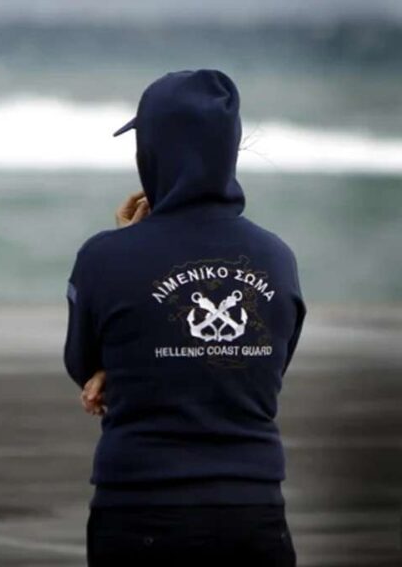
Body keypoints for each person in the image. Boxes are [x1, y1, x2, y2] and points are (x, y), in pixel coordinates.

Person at [63, 69, 306, 566]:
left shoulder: (103, 259)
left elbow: (81, 363)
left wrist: (126, 245)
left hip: (139, 513)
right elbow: (264, 370)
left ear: (150, 152)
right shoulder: (278, 258)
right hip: (255, 513)